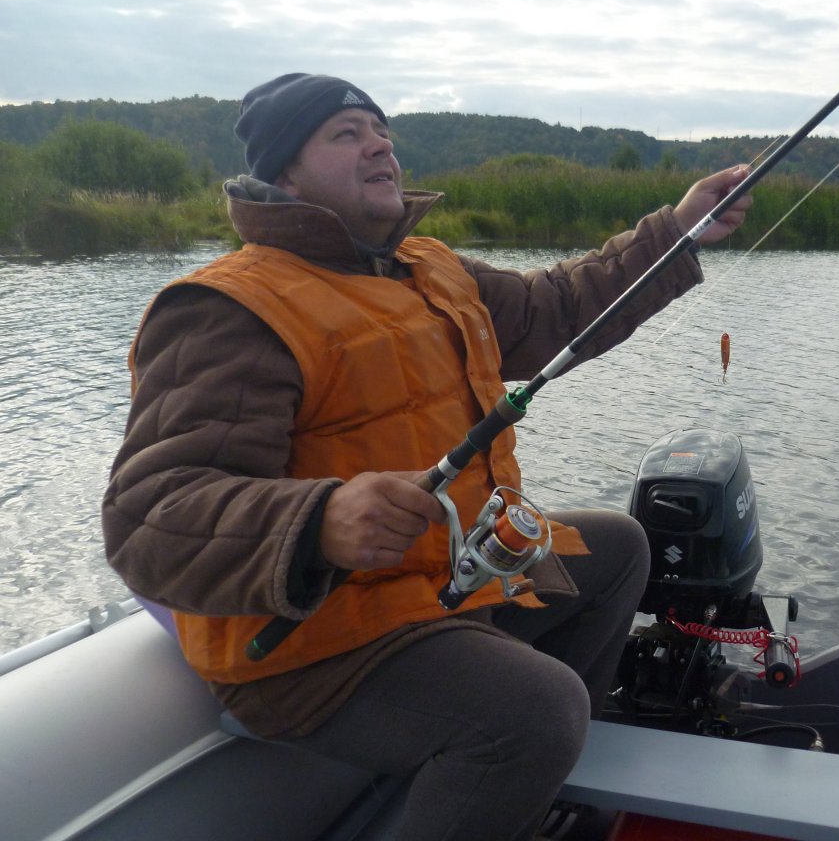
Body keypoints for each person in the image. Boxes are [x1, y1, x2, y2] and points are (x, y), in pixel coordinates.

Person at [101, 72, 752, 841]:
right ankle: (509, 752)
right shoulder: (231, 308)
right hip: (309, 648)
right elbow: (148, 515)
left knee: (617, 549)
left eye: (382, 132)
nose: (379, 146)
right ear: (284, 171)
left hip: (442, 588)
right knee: (536, 709)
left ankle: (520, 798)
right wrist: (318, 520)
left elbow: (556, 310)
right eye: (346, 134)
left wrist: (676, 229)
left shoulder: (429, 268)